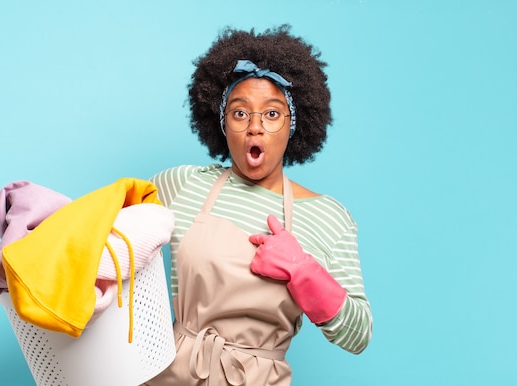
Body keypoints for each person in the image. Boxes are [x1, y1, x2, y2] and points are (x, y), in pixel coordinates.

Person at [144, 25, 372, 386]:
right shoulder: (183, 184)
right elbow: (108, 241)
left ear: (293, 124)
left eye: (271, 113)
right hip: (169, 375)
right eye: (239, 113)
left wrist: (304, 272)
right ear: (222, 123)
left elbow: (358, 335)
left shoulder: (328, 217)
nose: (254, 127)